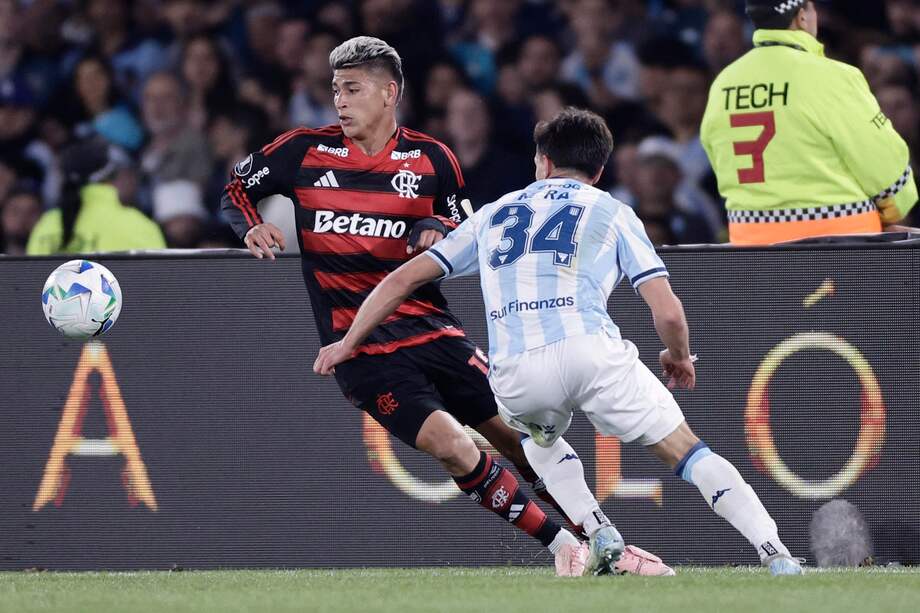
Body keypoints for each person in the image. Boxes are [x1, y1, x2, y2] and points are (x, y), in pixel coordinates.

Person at [220, 36, 670, 577]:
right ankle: (562, 547)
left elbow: (465, 223)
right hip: (361, 348)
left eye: (353, 89)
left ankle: (603, 540)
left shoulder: (432, 158)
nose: (340, 101)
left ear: (389, 93)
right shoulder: (302, 150)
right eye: (336, 89)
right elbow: (236, 187)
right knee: (452, 445)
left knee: (522, 440)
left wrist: (437, 224)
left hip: (434, 330)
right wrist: (250, 225)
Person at [314, 108, 803, 576]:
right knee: (688, 453)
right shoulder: (613, 211)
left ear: (543, 162)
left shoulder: (494, 213)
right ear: (600, 170)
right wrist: (678, 357)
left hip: (517, 369)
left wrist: (347, 341)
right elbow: (668, 311)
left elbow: (402, 279)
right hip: (591, 351)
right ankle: (775, 553)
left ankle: (597, 527)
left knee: (537, 440)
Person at [700, 0, 919, 245]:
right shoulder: (832, 76)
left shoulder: (724, 83)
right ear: (802, 16)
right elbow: (882, 162)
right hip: (840, 249)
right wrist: (893, 211)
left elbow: (717, 157)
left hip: (752, 250)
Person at [27, 137, 165, 255]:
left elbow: (30, 276)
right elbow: (159, 276)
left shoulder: (46, 225)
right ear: (112, 175)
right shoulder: (137, 225)